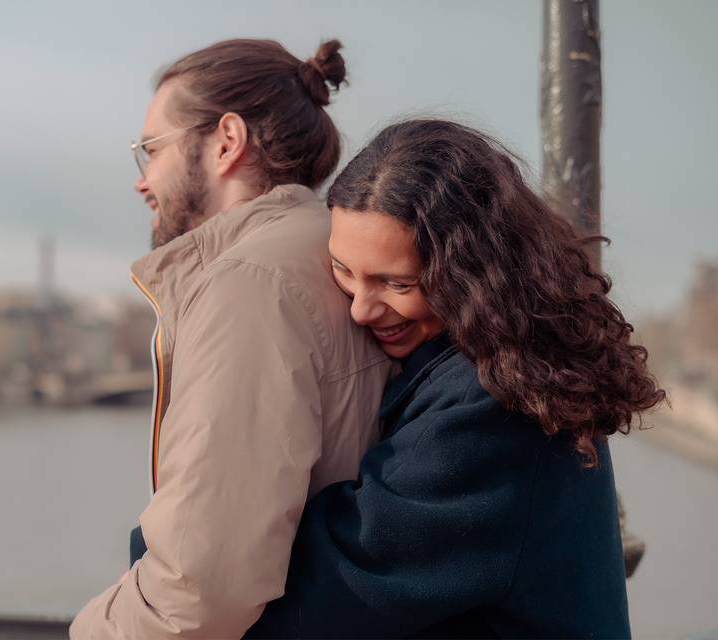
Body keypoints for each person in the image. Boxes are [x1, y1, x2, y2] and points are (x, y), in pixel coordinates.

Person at [244, 118, 666, 639]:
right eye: (343, 270)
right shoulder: (507, 363)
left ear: (472, 275)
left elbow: (339, 588)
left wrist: (188, 546)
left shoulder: (494, 406)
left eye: (397, 283)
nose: (361, 309)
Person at [69, 39, 391, 639]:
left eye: (151, 150)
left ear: (226, 141)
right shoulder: (325, 249)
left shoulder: (248, 283)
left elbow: (200, 591)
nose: (143, 181)